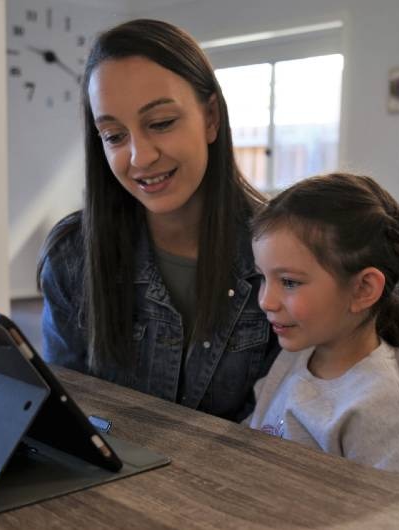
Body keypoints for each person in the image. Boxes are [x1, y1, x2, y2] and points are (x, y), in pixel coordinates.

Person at [37, 19, 280, 422]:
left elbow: (292, 430)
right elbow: (68, 418)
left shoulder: (282, 255)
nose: (140, 157)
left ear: (211, 118)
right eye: (114, 136)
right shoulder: (72, 257)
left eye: (161, 123)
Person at [246, 173, 399, 489]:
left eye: (289, 282)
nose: (266, 300)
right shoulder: (295, 357)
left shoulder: (385, 407)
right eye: (263, 277)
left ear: (363, 290)